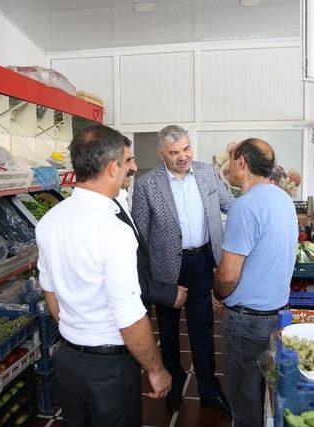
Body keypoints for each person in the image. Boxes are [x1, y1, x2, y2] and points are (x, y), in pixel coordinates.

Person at [36, 125, 172, 427]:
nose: (133, 167)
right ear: (112, 168)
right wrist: (155, 368)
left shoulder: (49, 221)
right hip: (109, 369)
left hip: (69, 360)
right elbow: (129, 316)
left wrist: (79, 331)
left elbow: (51, 293)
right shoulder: (114, 232)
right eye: (127, 161)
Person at [132, 125, 234, 415]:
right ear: (161, 153)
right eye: (174, 152)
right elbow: (140, 233)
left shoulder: (206, 173)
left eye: (186, 149)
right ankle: (175, 385)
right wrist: (147, 278)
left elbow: (230, 204)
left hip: (202, 261)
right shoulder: (147, 183)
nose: (182, 156)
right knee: (168, 330)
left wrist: (261, 202)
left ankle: (209, 390)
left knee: (202, 329)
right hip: (165, 268)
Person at [213, 138, 298, 427]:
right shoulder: (283, 199)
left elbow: (227, 276)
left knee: (245, 400)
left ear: (241, 163)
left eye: (233, 158)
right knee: (270, 397)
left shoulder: (244, 207)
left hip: (247, 322)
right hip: (278, 316)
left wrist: (218, 293)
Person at [114, 137, 188, 310]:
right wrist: (162, 292)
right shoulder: (104, 214)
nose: (135, 167)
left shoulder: (119, 198)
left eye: (186, 149)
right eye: (128, 161)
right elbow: (121, 274)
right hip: (119, 320)